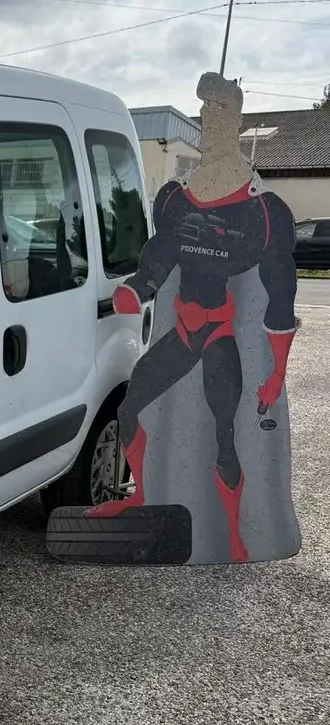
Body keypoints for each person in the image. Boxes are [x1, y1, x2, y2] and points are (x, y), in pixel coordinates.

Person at [88, 72, 298, 564]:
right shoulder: (175, 197)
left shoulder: (265, 212)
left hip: (220, 336)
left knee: (226, 439)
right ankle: (141, 498)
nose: (208, 117)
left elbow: (281, 296)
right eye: (204, 108)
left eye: (220, 109)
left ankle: (237, 538)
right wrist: (135, 289)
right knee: (129, 410)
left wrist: (277, 374)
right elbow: (159, 257)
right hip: (183, 333)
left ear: (238, 119)